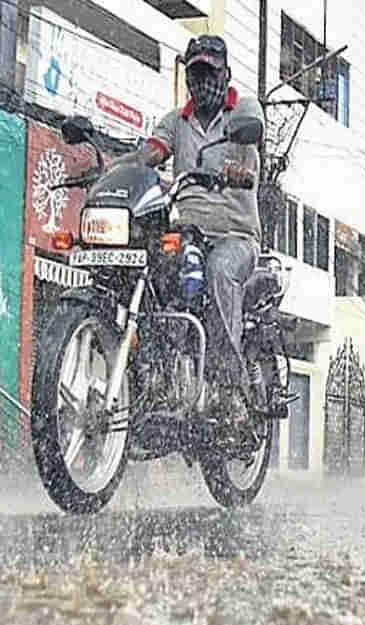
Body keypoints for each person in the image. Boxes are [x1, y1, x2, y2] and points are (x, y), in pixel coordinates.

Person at [117, 34, 264, 425]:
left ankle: (228, 388)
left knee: (218, 271)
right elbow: (153, 150)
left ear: (225, 73)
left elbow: (251, 153)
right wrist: (122, 167)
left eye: (209, 73)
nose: (201, 82)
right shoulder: (176, 121)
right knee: (151, 274)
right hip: (187, 233)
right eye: (195, 74)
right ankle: (157, 374)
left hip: (235, 235)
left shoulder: (243, 112)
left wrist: (238, 173)